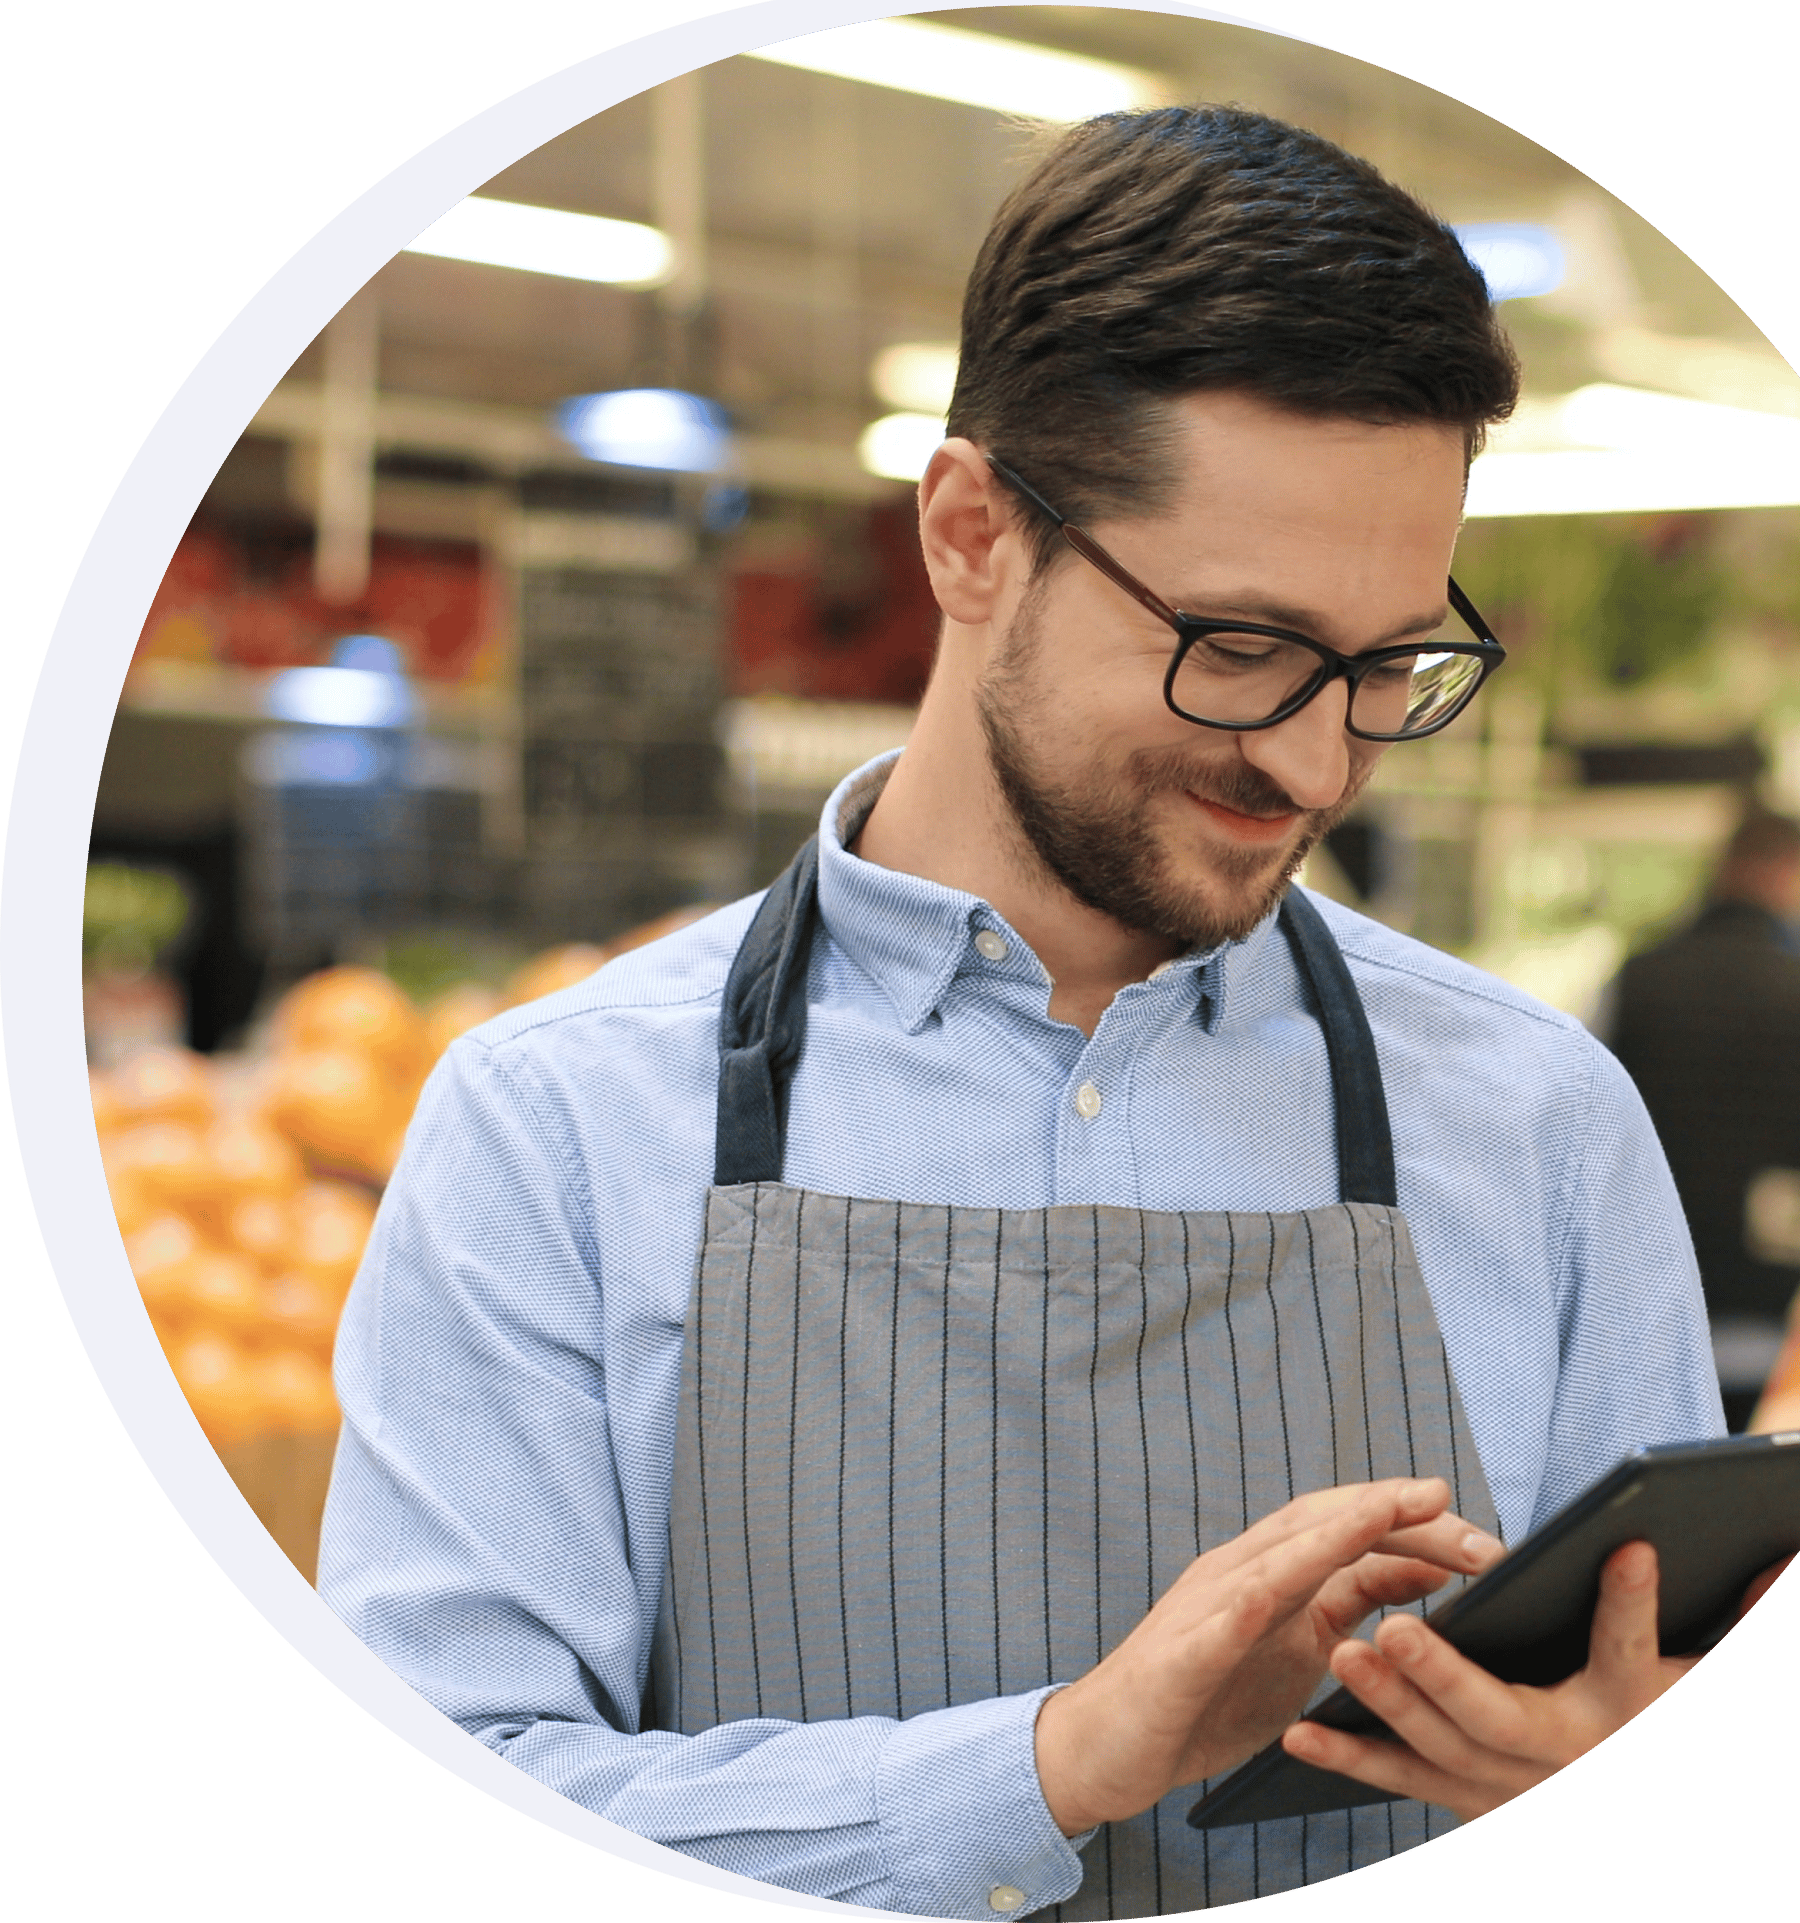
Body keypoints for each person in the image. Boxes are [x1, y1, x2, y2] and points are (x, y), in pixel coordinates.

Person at [319, 108, 1723, 1920]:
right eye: (1240, 644)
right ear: (974, 534)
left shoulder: (1541, 1121)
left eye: (1387, 668)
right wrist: (1055, 1760)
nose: (1313, 759)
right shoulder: (560, 1127)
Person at [1603, 807, 1800, 1426]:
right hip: (1795, 1321)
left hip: (1652, 1316)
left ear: (1723, 869)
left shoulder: (1632, 980)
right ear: (1792, 872)